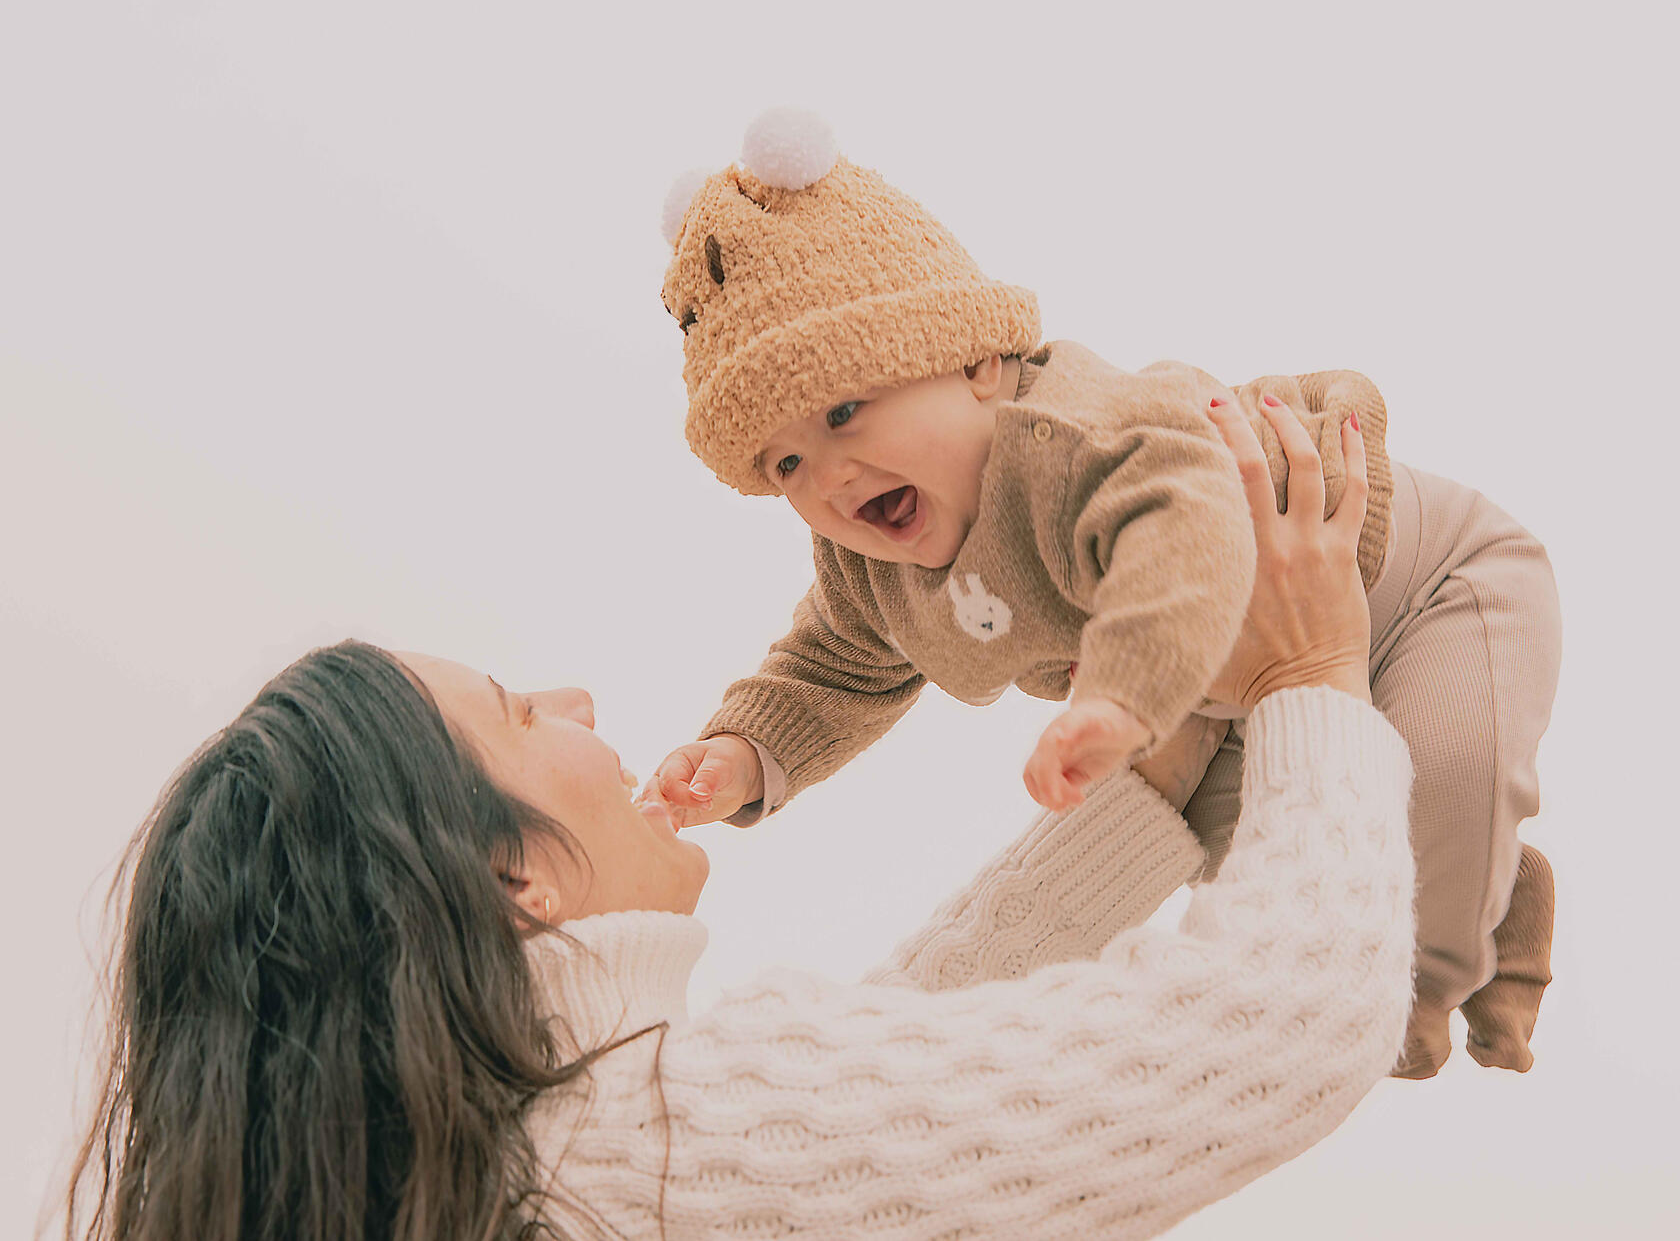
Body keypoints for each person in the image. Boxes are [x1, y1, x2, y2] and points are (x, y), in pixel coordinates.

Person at [68, 404, 1415, 1240]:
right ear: (510, 876)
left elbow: (883, 1090)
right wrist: (1308, 680)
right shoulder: (647, 1151)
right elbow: (1272, 1027)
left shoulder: (557, 1170)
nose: (577, 698)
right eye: (521, 717)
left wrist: (1162, 769)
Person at [647, 108, 1562, 1078]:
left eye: (843, 410)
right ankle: (1497, 894)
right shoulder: (872, 573)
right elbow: (827, 668)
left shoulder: (1070, 436)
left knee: (1450, 765)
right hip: (1233, 695)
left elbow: (1183, 534)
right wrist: (744, 754)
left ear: (978, 364)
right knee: (1251, 862)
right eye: (787, 459)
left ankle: (1433, 972)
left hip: (1424, 587)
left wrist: (1120, 698)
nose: (829, 473)